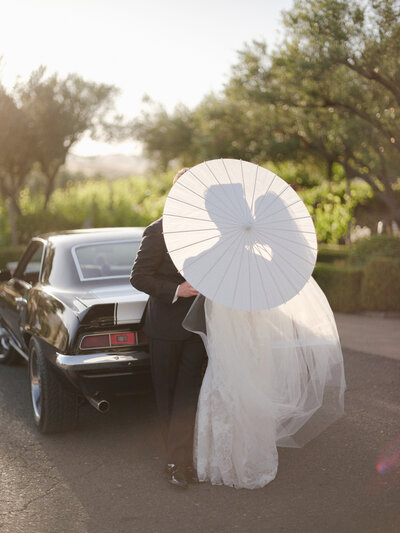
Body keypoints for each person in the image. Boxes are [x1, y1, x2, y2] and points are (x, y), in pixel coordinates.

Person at [181, 189, 346, 490]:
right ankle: (249, 461)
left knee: (223, 388)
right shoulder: (257, 258)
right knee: (252, 387)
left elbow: (193, 272)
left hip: (227, 337)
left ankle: (218, 463)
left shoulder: (205, 258)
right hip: (254, 337)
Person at [130, 168, 206, 489]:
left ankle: (185, 459)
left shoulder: (207, 231)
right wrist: (177, 290)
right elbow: (139, 277)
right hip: (164, 327)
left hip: (198, 329)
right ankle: (175, 461)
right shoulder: (156, 232)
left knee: (189, 396)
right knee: (168, 395)